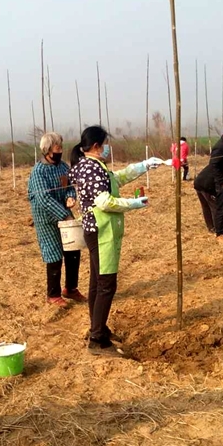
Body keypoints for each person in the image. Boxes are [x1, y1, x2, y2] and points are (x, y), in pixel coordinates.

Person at [70, 125, 164, 357]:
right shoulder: (91, 169)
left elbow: (116, 178)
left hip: (99, 231)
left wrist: (143, 166)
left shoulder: (92, 165)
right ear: (96, 146)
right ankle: (97, 341)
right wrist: (133, 203)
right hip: (102, 232)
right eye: (105, 144)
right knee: (106, 285)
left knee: (97, 282)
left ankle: (98, 327)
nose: (107, 149)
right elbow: (105, 202)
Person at [28, 132, 85, 308]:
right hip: (46, 218)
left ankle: (71, 288)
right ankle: (53, 294)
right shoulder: (38, 172)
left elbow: (69, 186)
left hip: (65, 214)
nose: (60, 150)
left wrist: (70, 197)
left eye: (61, 147)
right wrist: (64, 215)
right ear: (47, 150)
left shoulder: (63, 167)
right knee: (53, 254)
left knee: (73, 250)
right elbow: (44, 199)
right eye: (57, 147)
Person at [193, 163, 217, 233]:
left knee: (205, 206)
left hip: (198, 183)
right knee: (215, 207)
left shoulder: (214, 162)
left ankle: (211, 227)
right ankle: (217, 229)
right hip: (205, 185)